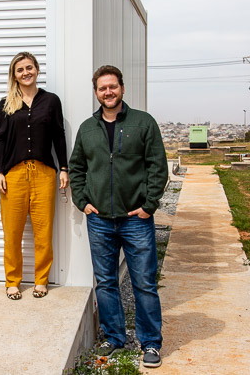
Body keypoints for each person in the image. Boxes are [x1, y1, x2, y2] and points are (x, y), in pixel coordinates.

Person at [69, 65, 168, 368]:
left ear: (122, 88)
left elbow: (157, 166)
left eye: (113, 86)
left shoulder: (143, 123)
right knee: (106, 282)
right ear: (96, 93)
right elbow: (77, 169)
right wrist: (82, 202)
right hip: (99, 220)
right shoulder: (87, 128)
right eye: (102, 88)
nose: (108, 92)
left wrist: (149, 205)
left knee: (144, 282)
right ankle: (114, 337)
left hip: (135, 219)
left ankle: (150, 343)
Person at [0, 51, 69, 300]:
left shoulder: (51, 101)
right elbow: (1, 139)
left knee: (43, 230)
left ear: (36, 69)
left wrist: (64, 168)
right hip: (14, 174)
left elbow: (59, 135)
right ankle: (12, 281)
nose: (25, 73)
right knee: (12, 232)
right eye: (20, 70)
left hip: (44, 173)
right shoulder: (7, 103)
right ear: (14, 75)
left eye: (29, 67)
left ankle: (41, 280)